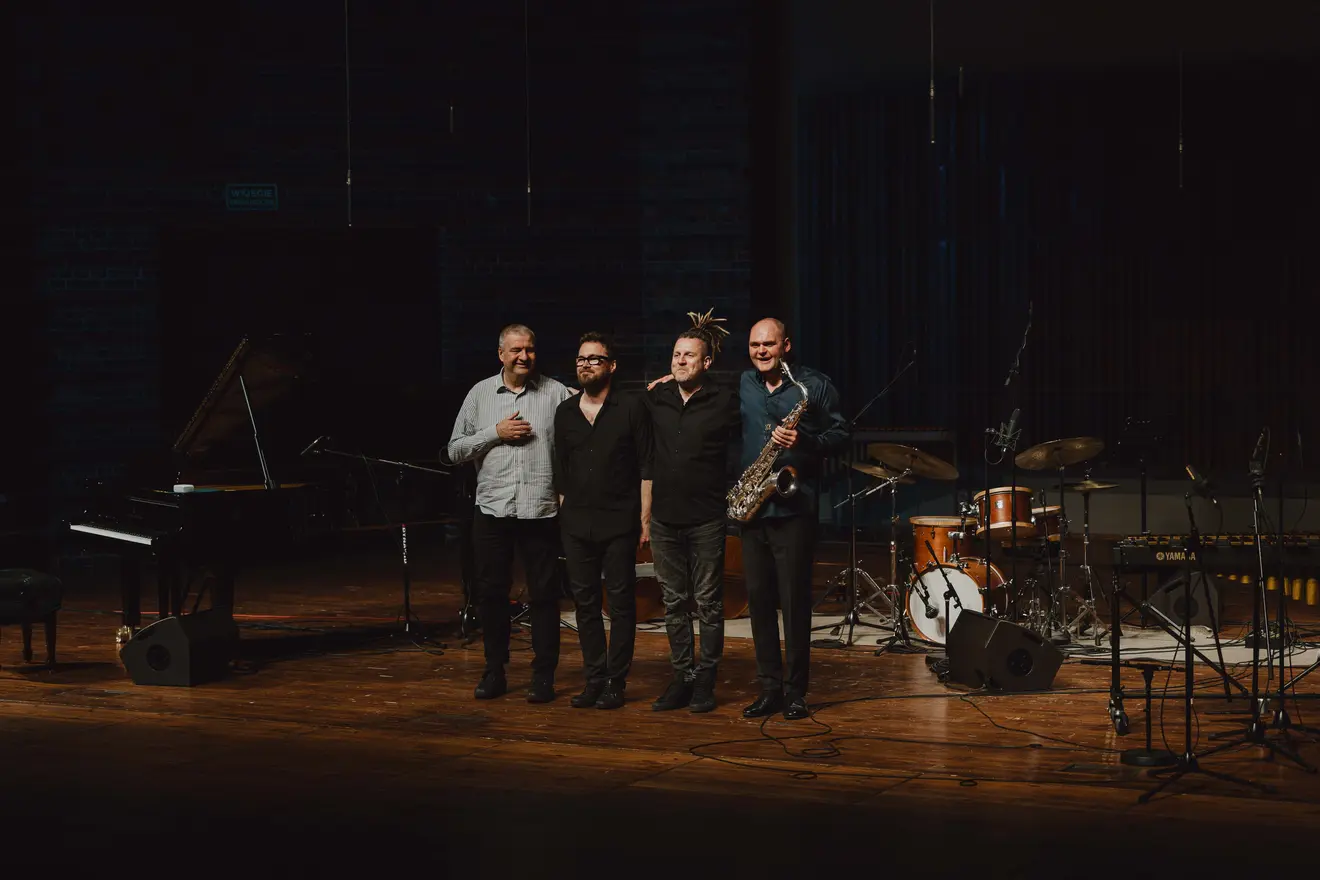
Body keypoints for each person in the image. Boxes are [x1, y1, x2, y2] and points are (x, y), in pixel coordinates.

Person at [447, 323, 572, 703]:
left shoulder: (556, 393)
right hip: (492, 509)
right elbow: (454, 450)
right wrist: (494, 434)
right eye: (516, 350)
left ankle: (543, 676)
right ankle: (494, 671)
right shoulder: (480, 394)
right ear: (501, 354)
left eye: (529, 349)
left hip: (540, 510)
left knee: (545, 596)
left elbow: (589, 422)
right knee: (490, 593)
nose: (524, 356)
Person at [736, 318, 848, 720]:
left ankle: (795, 691)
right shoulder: (743, 384)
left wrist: (805, 441)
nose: (761, 351)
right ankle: (769, 688)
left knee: (794, 603)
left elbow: (842, 434)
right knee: (759, 602)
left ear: (785, 345)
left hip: (794, 510)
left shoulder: (813, 385)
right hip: (754, 509)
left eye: (768, 344)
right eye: (755, 345)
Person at [554, 332, 653, 710]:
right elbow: (561, 468)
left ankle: (616, 681)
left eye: (595, 359)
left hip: (619, 521)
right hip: (577, 523)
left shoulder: (631, 407)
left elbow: (647, 465)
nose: (586, 365)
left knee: (621, 604)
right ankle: (594, 678)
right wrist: (564, 510)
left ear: (612, 366)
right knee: (585, 604)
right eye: (581, 359)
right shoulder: (565, 412)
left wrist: (644, 518)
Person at [645, 319, 740, 713]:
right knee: (673, 602)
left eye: (689, 356)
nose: (681, 361)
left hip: (706, 518)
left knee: (709, 604)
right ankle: (682, 677)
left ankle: (706, 682)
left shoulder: (725, 400)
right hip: (664, 519)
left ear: (707, 362)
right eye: (676, 355)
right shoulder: (656, 397)